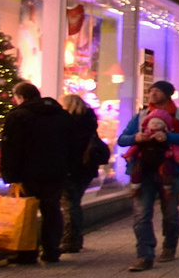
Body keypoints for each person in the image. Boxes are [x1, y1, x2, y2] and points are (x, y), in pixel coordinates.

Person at [118, 80, 179, 271]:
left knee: (169, 212)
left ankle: (169, 246)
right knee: (141, 214)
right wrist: (136, 138)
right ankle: (144, 255)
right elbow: (122, 139)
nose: (152, 94)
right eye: (150, 90)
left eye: (157, 91)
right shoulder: (142, 115)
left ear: (168, 94)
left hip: (170, 170)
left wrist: (168, 137)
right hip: (142, 170)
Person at [0, 81, 71, 264]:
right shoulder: (61, 115)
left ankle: (27, 252)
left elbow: (11, 148)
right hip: (56, 171)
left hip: (28, 173)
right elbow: (72, 144)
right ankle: (51, 251)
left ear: (21, 97)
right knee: (52, 210)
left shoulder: (19, 116)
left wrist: (10, 175)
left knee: (27, 212)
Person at [60, 92, 105, 253]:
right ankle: (75, 238)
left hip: (73, 169)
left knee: (70, 204)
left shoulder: (71, 124)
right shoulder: (88, 122)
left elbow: (70, 150)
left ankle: (70, 240)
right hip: (86, 168)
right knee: (74, 203)